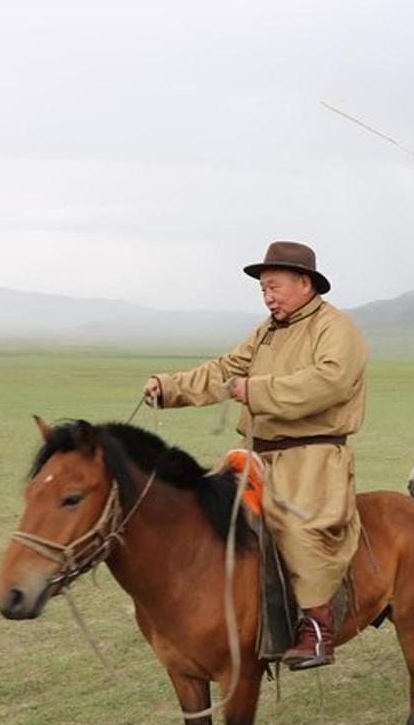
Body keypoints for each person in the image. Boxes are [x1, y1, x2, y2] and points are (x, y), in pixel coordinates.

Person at [142, 240, 368, 670]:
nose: (267, 296)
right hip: (260, 455)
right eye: (263, 289)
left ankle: (317, 628)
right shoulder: (266, 331)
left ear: (304, 283)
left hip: (313, 458)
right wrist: (169, 387)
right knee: (208, 511)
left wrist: (257, 391)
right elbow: (225, 370)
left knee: (297, 528)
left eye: (274, 287)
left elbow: (330, 383)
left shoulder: (335, 329)